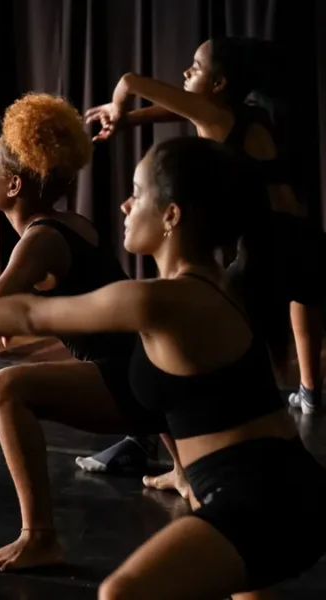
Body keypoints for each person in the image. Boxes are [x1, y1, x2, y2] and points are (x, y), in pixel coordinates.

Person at [0, 136, 326, 598]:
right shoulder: (217, 286)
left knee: (120, 592)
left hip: (261, 499)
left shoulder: (162, 300)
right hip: (277, 489)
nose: (125, 205)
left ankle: (39, 536)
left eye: (138, 193)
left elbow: (30, 313)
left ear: (171, 216)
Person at [82, 37, 325, 490]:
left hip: (265, 248)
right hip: (306, 238)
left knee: (213, 346)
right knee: (300, 309)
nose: (185, 73)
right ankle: (310, 394)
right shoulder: (249, 114)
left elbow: (130, 81)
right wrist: (131, 120)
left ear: (218, 83)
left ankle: (168, 449)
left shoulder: (215, 118)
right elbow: (180, 109)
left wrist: (118, 105)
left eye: (194, 68)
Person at [0, 92, 168, 573]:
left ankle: (39, 537)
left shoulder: (41, 239)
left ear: (13, 185)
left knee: (5, 388)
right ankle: (185, 474)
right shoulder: (71, 223)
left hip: (135, 386)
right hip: (152, 374)